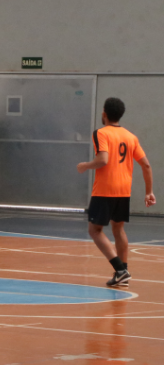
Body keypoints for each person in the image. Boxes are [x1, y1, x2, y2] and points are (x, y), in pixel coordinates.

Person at [77, 97, 154, 287]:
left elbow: (103, 160)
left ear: (104, 113)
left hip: (105, 190)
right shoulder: (130, 136)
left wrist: (85, 166)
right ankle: (122, 274)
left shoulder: (101, 133)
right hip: (123, 190)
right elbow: (146, 165)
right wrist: (148, 192)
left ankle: (120, 269)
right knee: (118, 229)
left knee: (94, 230)